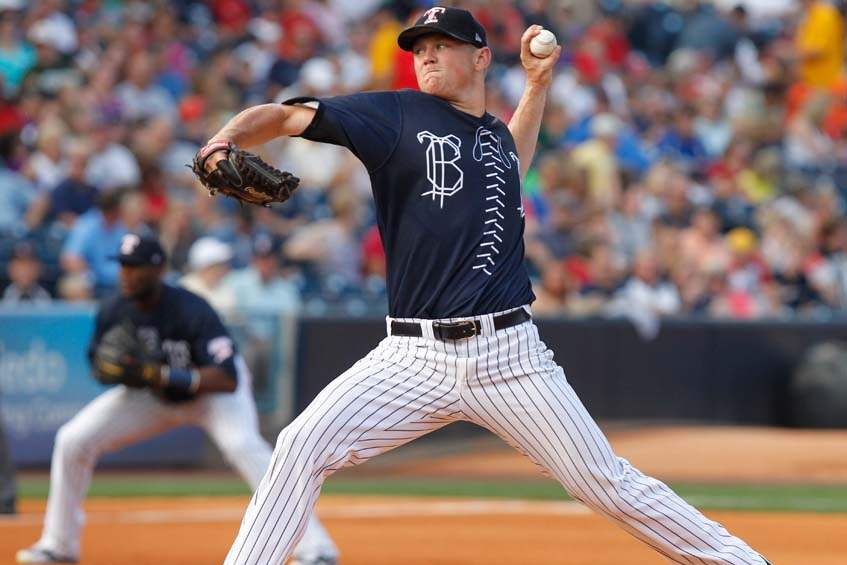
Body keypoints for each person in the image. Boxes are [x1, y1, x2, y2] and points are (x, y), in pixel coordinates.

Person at [201, 8, 771, 565]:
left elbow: (508, 168)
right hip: (412, 356)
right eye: (420, 49)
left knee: (606, 482)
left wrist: (537, 85)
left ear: (480, 59)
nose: (426, 56)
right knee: (300, 446)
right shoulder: (396, 115)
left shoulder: (493, 134)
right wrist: (221, 142)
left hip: (511, 358)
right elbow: (285, 116)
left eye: (441, 46)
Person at [16, 234, 338, 565]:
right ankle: (59, 544)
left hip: (212, 397)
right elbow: (100, 369)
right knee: (72, 440)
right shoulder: (114, 309)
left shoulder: (191, 308)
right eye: (123, 266)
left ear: (158, 270)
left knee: (243, 446)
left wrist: (162, 375)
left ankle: (316, 548)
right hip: (153, 397)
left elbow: (227, 377)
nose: (126, 274)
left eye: (135, 267)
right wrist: (126, 372)